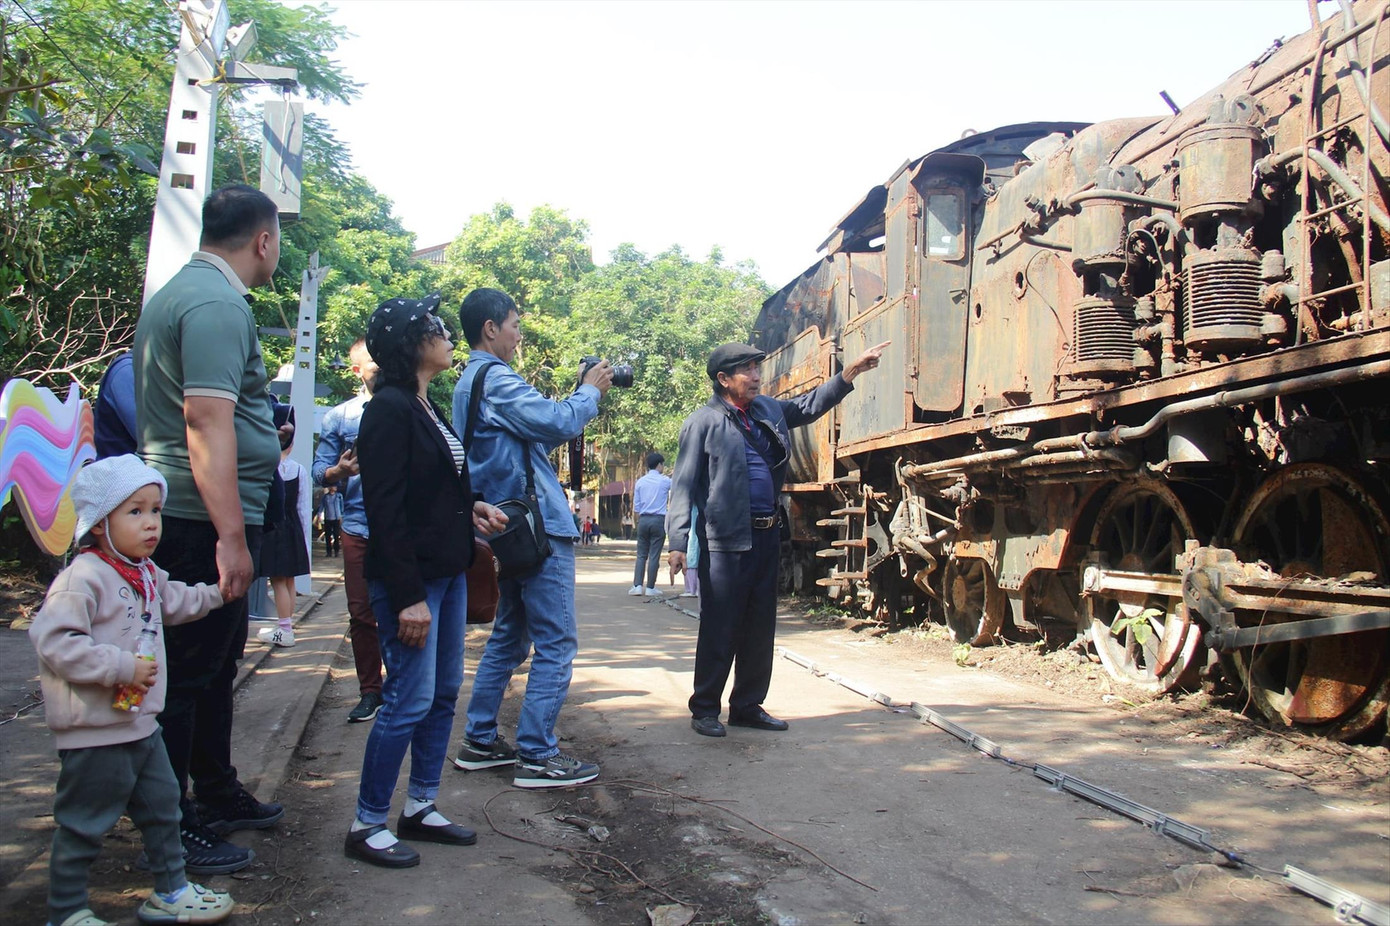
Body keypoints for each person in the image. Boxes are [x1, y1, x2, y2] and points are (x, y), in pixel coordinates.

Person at [133, 183, 285, 873]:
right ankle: (174, 826)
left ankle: (217, 792)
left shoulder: (188, 293)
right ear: (263, 240)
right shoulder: (218, 304)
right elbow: (203, 419)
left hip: (207, 512)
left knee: (216, 666)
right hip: (201, 520)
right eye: (276, 240)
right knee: (188, 675)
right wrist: (230, 536)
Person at [29, 455, 235, 926]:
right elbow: (54, 641)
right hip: (95, 731)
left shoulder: (143, 572)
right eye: (135, 511)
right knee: (84, 822)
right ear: (100, 523)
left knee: (165, 808)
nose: (151, 524)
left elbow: (176, 599)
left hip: (141, 724)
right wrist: (121, 666)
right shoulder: (82, 579)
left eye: (156, 510)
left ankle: (171, 889)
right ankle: (66, 911)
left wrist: (219, 594)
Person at [345, 293, 507, 869]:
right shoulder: (387, 408)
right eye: (433, 325)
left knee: (440, 696)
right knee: (407, 700)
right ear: (411, 343)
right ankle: (367, 822)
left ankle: (419, 806)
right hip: (412, 582)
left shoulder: (424, 405)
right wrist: (409, 597)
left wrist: (474, 508)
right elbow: (385, 509)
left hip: (448, 572)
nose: (444, 333)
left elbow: (431, 487)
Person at [667, 340, 890, 738]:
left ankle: (747, 706)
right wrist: (678, 543)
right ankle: (705, 709)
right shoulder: (702, 422)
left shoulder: (769, 409)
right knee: (721, 625)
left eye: (757, 368)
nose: (756, 376)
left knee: (759, 625)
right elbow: (683, 486)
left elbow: (808, 405)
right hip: (724, 541)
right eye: (747, 370)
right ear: (723, 379)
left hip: (767, 534)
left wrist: (850, 373)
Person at [450, 287, 612, 789]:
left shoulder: (467, 382)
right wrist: (589, 392)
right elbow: (558, 420)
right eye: (515, 326)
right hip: (536, 524)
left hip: (508, 523)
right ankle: (539, 755)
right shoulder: (494, 376)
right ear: (491, 329)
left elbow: (537, 435)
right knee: (556, 642)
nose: (520, 337)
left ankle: (480, 739)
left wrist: (573, 403)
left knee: (510, 636)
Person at [313, 338, 383, 722]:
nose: (382, 368)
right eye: (373, 363)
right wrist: (336, 472)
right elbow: (317, 468)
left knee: (405, 610)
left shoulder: (413, 406)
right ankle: (371, 691)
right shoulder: (339, 418)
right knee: (361, 613)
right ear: (357, 370)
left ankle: (405, 688)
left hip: (401, 527)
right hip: (357, 524)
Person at [255, 435, 311, 649]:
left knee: (278, 580)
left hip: (274, 526)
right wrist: (304, 540)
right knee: (289, 580)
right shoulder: (299, 470)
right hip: (293, 526)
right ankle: (286, 625)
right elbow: (303, 507)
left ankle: (284, 628)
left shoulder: (268, 468)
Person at [628, 451, 670, 597]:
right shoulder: (665, 481)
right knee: (654, 555)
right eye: (663, 465)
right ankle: (651, 587)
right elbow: (677, 487)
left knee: (641, 555)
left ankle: (637, 586)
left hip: (644, 520)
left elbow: (636, 506)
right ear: (659, 465)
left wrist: (638, 521)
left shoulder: (640, 482)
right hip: (659, 520)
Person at [319, 485, 343, 558]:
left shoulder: (339, 496)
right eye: (333, 486)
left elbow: (342, 506)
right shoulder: (325, 497)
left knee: (336, 535)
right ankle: (328, 552)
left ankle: (336, 551)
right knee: (328, 536)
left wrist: (342, 516)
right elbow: (321, 506)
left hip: (336, 518)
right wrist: (319, 515)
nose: (335, 487)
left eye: (336, 486)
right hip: (328, 518)